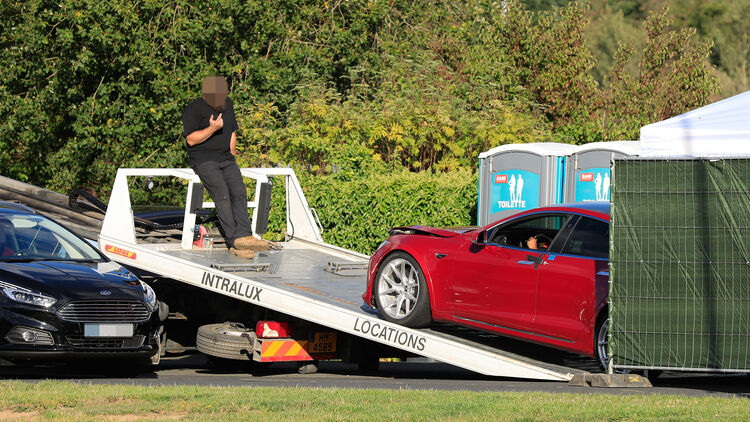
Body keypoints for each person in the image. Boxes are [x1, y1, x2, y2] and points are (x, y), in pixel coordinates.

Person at [182, 75, 268, 258]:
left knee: (239, 192)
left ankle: (245, 236)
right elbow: (191, 139)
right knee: (222, 194)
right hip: (204, 160)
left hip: (226, 159)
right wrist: (212, 129)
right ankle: (234, 240)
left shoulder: (227, 104)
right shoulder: (193, 108)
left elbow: (232, 131)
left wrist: (232, 152)